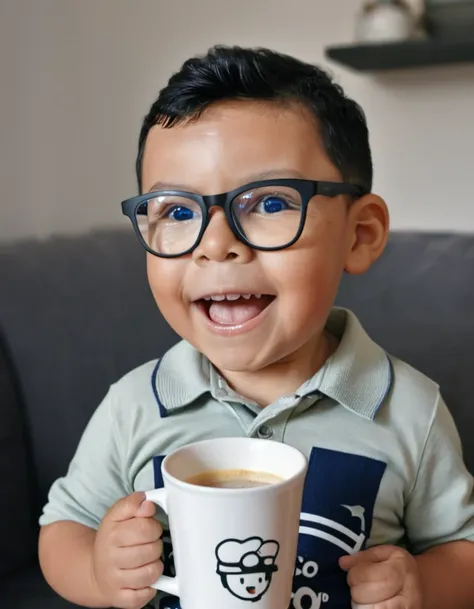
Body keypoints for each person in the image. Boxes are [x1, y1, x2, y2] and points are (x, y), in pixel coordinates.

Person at [38, 45, 474, 609]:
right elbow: (63, 530)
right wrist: (99, 572)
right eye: (176, 210)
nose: (216, 244)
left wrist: (421, 586)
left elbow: (461, 548)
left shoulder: (410, 411)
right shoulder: (133, 406)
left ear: (360, 234)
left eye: (269, 202)